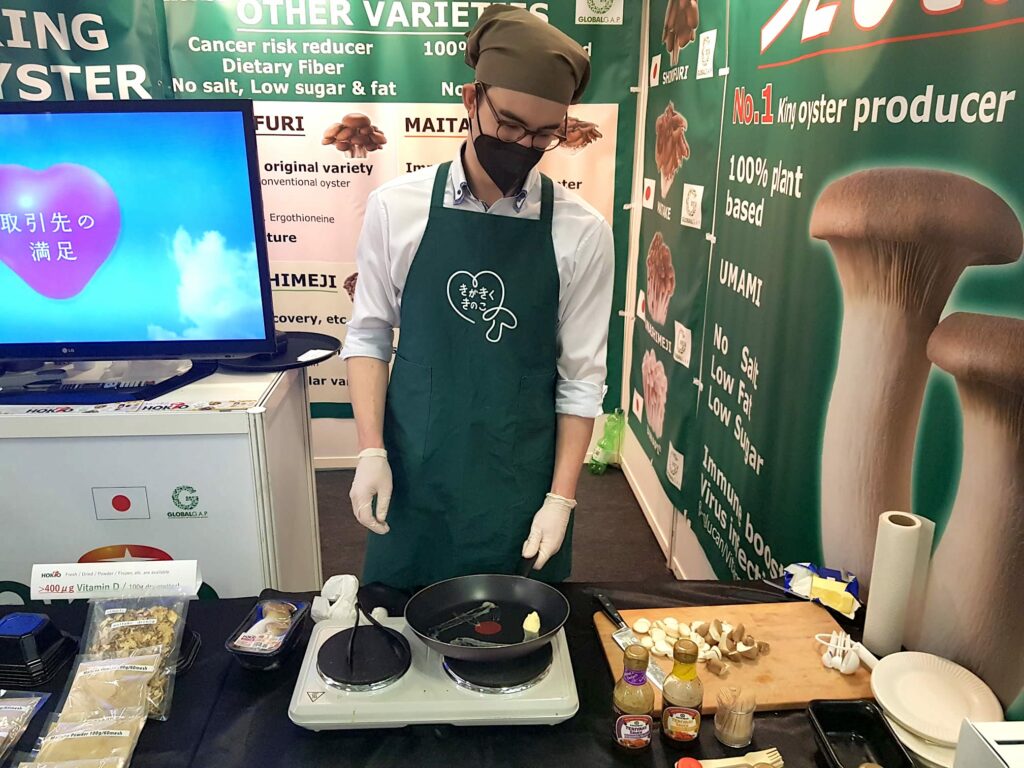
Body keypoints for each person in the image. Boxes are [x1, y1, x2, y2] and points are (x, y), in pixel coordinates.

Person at [342, 5, 614, 591]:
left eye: (544, 134)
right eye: (510, 125)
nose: (523, 145)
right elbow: (368, 335)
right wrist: (370, 452)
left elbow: (582, 378)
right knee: (398, 624)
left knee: (518, 629)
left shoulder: (583, 232)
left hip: (518, 479)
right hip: (414, 468)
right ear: (472, 99)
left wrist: (561, 499)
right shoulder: (396, 208)